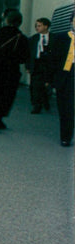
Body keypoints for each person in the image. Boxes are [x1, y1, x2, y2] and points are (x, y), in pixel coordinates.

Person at [0, 9, 30, 133]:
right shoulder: (22, 38)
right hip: (11, 72)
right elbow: (24, 58)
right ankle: (0, 117)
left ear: (6, 20)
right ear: (19, 22)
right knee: (6, 96)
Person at [49, 13, 74, 146]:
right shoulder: (61, 38)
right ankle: (66, 137)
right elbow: (53, 60)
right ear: (71, 22)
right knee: (65, 109)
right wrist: (51, 79)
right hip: (65, 76)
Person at [26, 17, 54, 113]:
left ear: (46, 26)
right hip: (36, 63)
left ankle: (45, 100)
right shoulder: (33, 39)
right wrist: (28, 66)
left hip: (47, 64)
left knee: (46, 84)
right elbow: (28, 53)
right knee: (34, 85)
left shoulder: (53, 38)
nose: (37, 28)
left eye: (39, 26)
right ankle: (36, 105)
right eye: (36, 26)